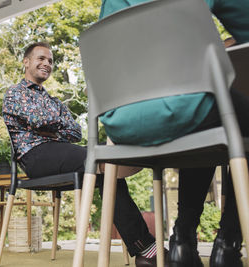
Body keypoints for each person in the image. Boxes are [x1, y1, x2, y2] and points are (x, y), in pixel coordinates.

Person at [99, 0, 249, 266]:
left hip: (120, 122)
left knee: (207, 111)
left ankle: (183, 239)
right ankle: (228, 243)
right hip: (184, 109)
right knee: (213, 107)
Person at [2, 42, 154, 267]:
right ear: (26, 62)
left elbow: (75, 132)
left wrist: (49, 127)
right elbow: (36, 120)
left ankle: (144, 250)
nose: (47, 64)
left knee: (107, 170)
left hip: (59, 152)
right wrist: (55, 125)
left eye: (51, 61)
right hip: (34, 156)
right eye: (41, 58)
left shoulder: (53, 101)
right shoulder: (15, 93)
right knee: (102, 158)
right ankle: (146, 248)